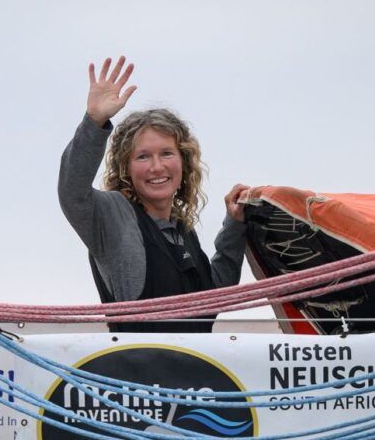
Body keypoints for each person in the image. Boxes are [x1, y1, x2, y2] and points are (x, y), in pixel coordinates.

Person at [58, 56, 249, 333]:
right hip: (138, 373)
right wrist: (94, 122)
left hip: (198, 373)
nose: (156, 167)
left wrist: (235, 224)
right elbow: (72, 193)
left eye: (167, 154)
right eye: (143, 157)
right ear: (126, 167)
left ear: (183, 162)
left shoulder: (182, 232)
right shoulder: (113, 217)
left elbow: (215, 297)